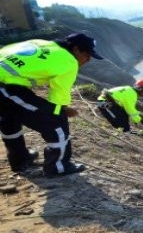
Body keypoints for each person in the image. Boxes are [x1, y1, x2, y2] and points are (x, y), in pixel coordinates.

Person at [0, 32, 103, 177]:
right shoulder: (69, 61)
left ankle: (20, 159)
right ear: (76, 50)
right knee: (56, 121)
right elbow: (58, 99)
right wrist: (64, 110)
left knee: (10, 116)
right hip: (4, 86)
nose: (89, 59)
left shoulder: (41, 43)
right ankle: (58, 166)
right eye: (87, 54)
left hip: (7, 83)